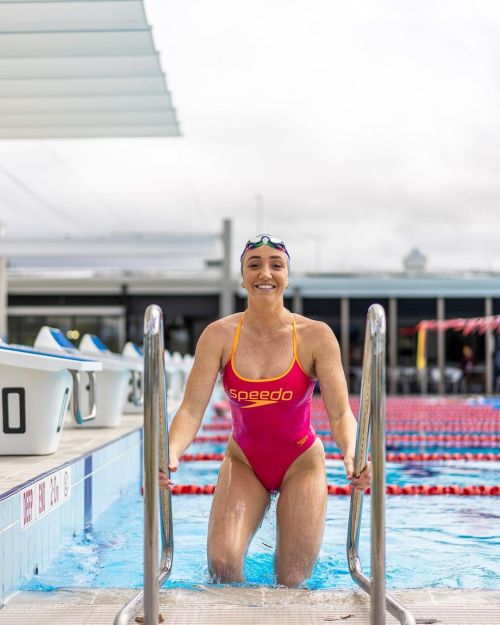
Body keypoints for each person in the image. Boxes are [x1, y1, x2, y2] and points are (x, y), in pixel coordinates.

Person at [160, 234, 371, 587]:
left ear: (287, 275)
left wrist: (354, 454)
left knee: (291, 580)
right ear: (242, 277)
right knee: (222, 566)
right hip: (244, 461)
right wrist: (169, 452)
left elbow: (340, 414)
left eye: (276, 265)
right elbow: (191, 410)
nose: (266, 273)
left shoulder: (315, 336)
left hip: (301, 463)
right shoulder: (219, 335)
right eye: (254, 265)